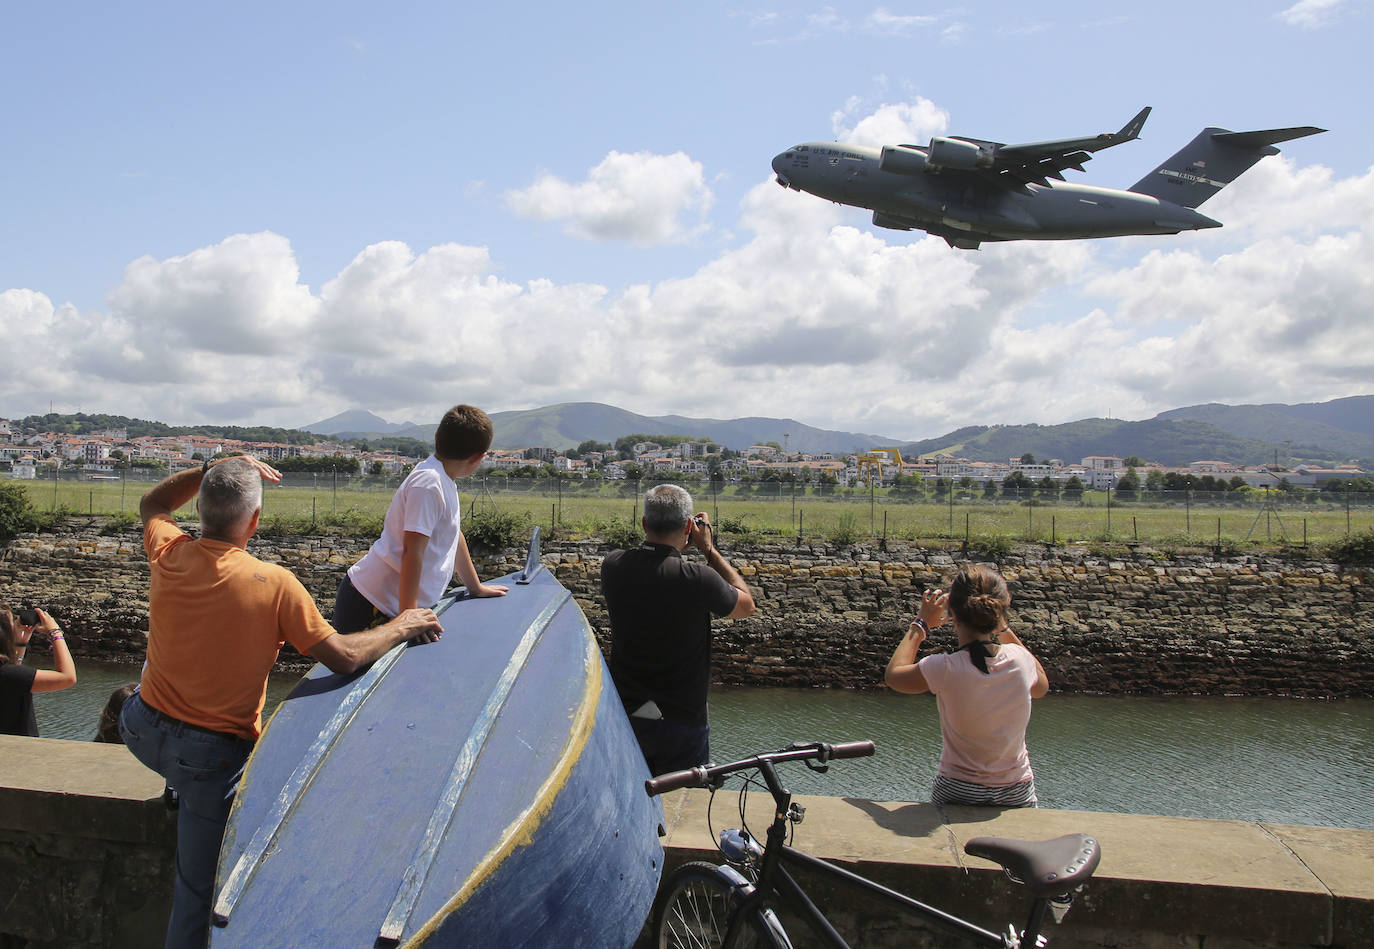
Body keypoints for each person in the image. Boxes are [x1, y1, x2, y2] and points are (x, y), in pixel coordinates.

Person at [120, 455, 444, 949]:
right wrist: (402, 624)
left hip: (139, 728)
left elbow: (153, 502)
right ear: (254, 521)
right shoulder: (274, 583)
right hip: (209, 755)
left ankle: (177, 786)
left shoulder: (169, 551)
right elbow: (343, 657)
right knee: (197, 894)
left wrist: (213, 465)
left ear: (200, 509)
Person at [601, 483, 755, 776]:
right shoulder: (698, 578)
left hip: (627, 713)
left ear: (644, 523)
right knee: (683, 798)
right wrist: (708, 548)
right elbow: (746, 607)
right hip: (682, 720)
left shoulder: (613, 565)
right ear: (689, 526)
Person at [885, 564, 1049, 808]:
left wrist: (921, 624)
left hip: (958, 787)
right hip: (1015, 788)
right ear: (1000, 609)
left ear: (951, 613)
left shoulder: (944, 667)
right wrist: (1002, 627)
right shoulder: (1020, 659)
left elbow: (894, 676)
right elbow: (1041, 687)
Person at [334, 404, 507, 632]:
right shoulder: (429, 483)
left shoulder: (443, 479)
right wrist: (409, 617)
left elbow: (453, 534)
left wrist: (475, 587)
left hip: (394, 607)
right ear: (479, 458)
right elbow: (412, 552)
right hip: (373, 604)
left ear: (437, 437)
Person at [0, 606, 77, 736]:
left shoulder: (9, 674)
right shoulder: (7, 674)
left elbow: (14, 679)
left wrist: (20, 644)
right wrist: (55, 632)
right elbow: (68, 678)